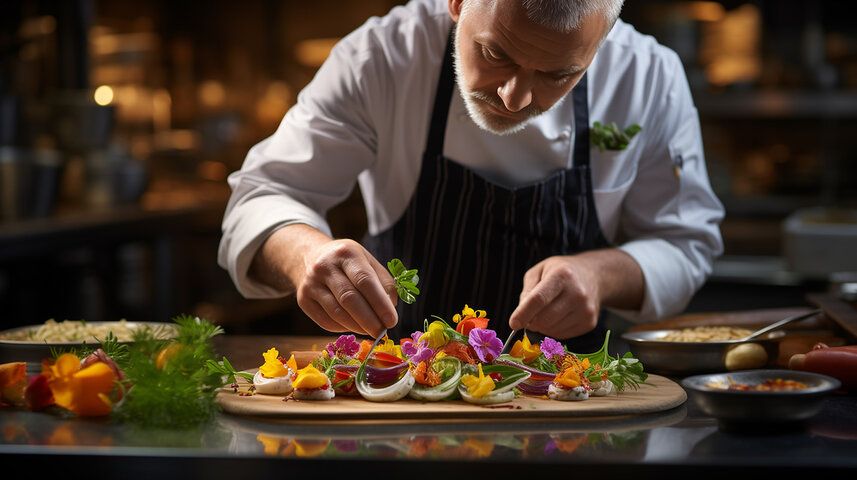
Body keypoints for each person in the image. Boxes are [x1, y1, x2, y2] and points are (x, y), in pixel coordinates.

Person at [218, 0, 724, 350]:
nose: (514, 98)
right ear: (457, 3)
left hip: (574, 403)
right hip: (398, 395)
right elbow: (264, 195)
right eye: (496, 54)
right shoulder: (382, 57)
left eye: (557, 74)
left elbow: (685, 243)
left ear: (604, 39)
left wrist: (600, 274)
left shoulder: (650, 77)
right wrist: (306, 254)